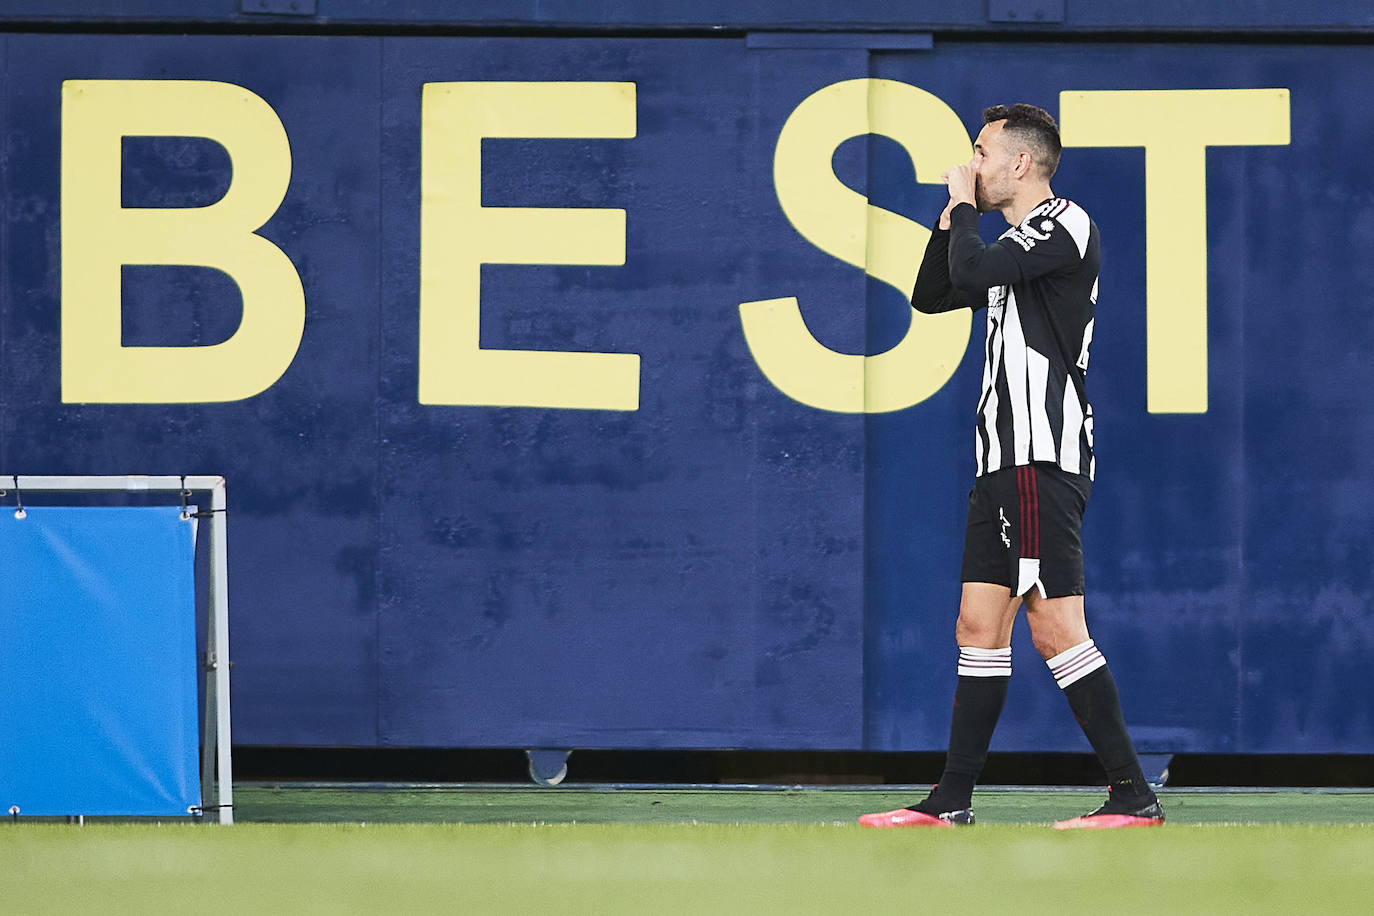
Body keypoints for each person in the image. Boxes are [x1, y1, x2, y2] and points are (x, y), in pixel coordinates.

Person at [859, 103, 1163, 830]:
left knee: (1056, 628)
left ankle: (1132, 795)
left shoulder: (1064, 225)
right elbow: (933, 293)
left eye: (982, 150)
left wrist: (962, 206)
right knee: (977, 625)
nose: (972, 162)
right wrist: (950, 218)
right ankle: (952, 801)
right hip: (1002, 462)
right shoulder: (1011, 242)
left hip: (1038, 456)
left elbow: (973, 265)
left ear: (1021, 163)